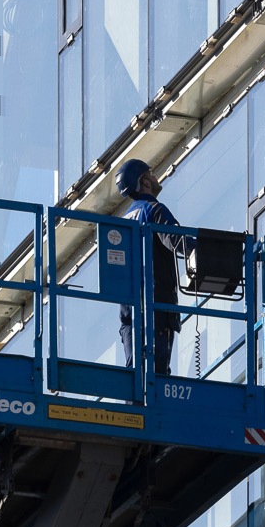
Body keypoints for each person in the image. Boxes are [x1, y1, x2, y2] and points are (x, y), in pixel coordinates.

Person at [114, 158, 191, 376]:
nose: (155, 177)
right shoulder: (153, 209)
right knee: (158, 374)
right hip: (157, 303)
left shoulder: (124, 221)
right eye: (151, 173)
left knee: (135, 375)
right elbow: (176, 240)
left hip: (129, 308)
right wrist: (207, 251)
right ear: (144, 181)